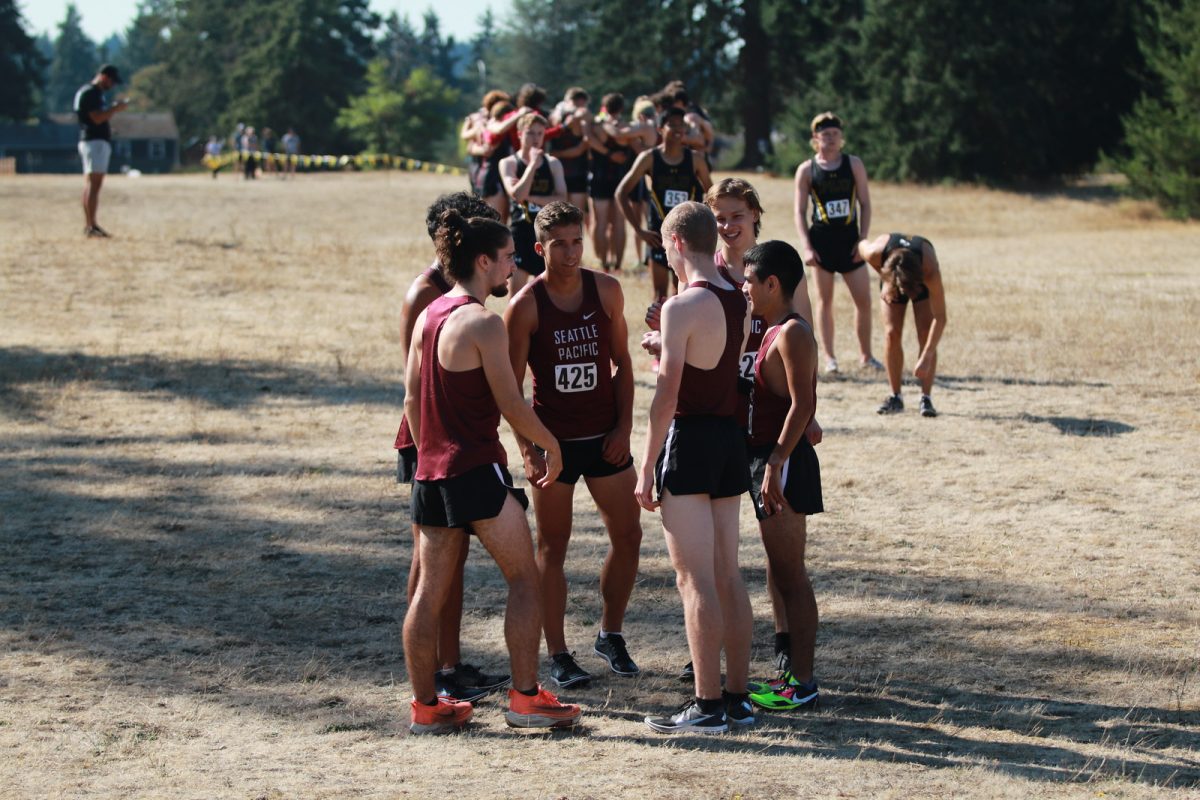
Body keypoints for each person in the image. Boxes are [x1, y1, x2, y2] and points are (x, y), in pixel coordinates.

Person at [403, 209, 582, 735]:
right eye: (507, 257)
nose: (514, 265)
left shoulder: (429, 313)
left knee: (427, 592)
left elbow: (412, 398)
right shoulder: (483, 322)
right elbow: (512, 403)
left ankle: (426, 708)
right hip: (476, 471)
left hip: (431, 474)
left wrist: (430, 449)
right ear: (483, 261)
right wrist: (553, 444)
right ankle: (525, 700)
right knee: (525, 578)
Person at [644, 179, 816, 677]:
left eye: (736, 214)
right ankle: (715, 665)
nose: (727, 225)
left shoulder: (773, 268)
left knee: (775, 564)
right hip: (729, 425)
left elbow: (802, 348)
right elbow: (695, 356)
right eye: (718, 216)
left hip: (768, 428)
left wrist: (808, 413)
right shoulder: (708, 274)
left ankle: (791, 664)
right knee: (724, 567)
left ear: (755, 214)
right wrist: (664, 340)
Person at [503, 202, 643, 689]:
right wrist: (529, 448)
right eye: (559, 243)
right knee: (552, 547)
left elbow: (624, 364)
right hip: (553, 446)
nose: (570, 251)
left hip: (605, 439)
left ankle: (611, 632)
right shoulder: (523, 305)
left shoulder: (606, 290)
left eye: (576, 241)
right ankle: (559, 653)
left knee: (629, 537)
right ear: (539, 248)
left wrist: (624, 429)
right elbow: (511, 389)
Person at [634, 201, 754, 734]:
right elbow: (721, 357)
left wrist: (645, 464)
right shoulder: (739, 297)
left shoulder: (681, 305)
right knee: (729, 574)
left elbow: (667, 397)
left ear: (678, 243)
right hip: (731, 439)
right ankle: (738, 697)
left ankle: (705, 707)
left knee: (694, 580)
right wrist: (669, 342)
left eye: (664, 246)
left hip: (690, 439)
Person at [395, 192, 514, 704]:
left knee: (451, 559)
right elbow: (417, 385)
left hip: (452, 440)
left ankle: (449, 663)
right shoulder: (427, 294)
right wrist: (429, 454)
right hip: (429, 438)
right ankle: (439, 672)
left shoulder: (470, 294)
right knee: (430, 566)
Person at [739, 240, 824, 711]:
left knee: (791, 575)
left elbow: (803, 405)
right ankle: (793, 677)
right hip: (768, 461)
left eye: (750, 280)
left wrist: (774, 464)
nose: (745, 288)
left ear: (772, 283)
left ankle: (804, 684)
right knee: (781, 571)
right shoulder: (772, 330)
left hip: (783, 464)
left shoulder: (792, 332)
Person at [793, 112, 881, 374]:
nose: (830, 138)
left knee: (863, 300)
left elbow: (865, 203)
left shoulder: (853, 164)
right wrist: (807, 247)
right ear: (815, 138)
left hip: (850, 242)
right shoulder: (807, 169)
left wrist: (863, 240)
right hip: (821, 243)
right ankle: (830, 358)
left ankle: (866, 355)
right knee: (824, 301)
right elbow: (799, 211)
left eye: (834, 134)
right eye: (825, 134)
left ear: (841, 138)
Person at [617, 107, 712, 308]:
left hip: (689, 236)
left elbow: (713, 195)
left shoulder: (695, 159)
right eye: (672, 125)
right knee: (659, 295)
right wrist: (639, 230)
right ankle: (659, 335)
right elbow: (621, 193)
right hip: (659, 236)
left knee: (685, 293)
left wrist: (705, 225)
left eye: (682, 125)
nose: (678, 129)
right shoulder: (649, 158)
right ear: (660, 129)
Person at [857, 233, 947, 417]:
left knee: (924, 332)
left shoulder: (929, 270)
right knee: (891, 333)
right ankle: (895, 396)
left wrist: (927, 356)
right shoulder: (876, 253)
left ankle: (926, 398)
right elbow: (861, 245)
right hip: (889, 273)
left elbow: (940, 317)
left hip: (915, 278)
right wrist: (883, 276)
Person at [500, 114, 567, 294]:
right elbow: (518, 196)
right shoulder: (508, 163)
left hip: (546, 232)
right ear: (520, 134)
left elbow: (561, 199)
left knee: (549, 293)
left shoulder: (553, 163)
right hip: (520, 232)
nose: (536, 138)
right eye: (530, 133)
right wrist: (532, 166)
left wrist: (529, 196)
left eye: (540, 133)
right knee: (517, 295)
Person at [73, 64, 129, 237]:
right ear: (104, 77)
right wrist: (115, 109)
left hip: (94, 141)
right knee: (94, 185)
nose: (112, 86)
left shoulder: (94, 93)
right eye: (112, 82)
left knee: (92, 184)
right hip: (94, 142)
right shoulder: (91, 93)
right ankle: (91, 226)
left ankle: (90, 224)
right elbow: (96, 118)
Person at [587, 93, 637, 272]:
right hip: (620, 179)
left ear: (604, 107)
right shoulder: (625, 127)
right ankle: (618, 263)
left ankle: (602, 262)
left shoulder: (597, 127)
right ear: (621, 108)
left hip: (600, 177)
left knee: (599, 222)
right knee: (619, 223)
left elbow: (588, 139)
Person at [546, 88, 592, 223]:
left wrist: (557, 154)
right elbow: (580, 148)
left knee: (558, 218)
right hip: (576, 171)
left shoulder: (555, 114)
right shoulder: (581, 117)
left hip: (558, 170)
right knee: (575, 217)